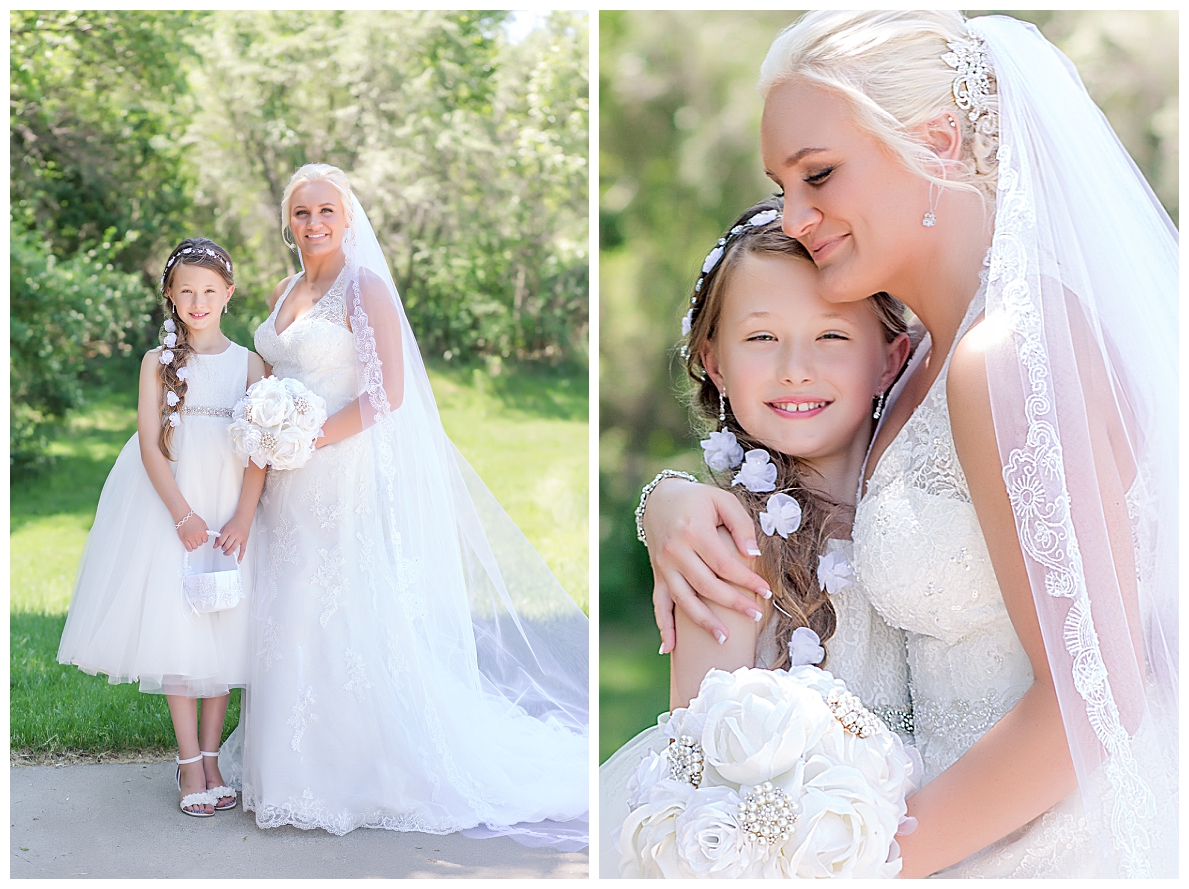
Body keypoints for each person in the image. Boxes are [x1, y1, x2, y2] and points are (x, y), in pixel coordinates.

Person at [639, 10, 1176, 878]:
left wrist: (852, 859)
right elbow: (800, 488)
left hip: (1041, 848)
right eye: (781, 184)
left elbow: (1096, 694)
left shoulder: (1008, 355)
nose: (795, 215)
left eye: (817, 175)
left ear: (933, 142)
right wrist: (667, 502)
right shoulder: (915, 363)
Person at [222, 164, 589, 847]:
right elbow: (265, 384)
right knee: (287, 605)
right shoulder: (282, 292)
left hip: (337, 470)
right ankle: (286, 769)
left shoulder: (365, 289)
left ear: (347, 216)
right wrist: (264, 441)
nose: (314, 223)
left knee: (336, 602)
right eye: (301, 213)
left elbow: (386, 393)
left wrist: (304, 437)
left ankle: (360, 772)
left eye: (326, 210)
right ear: (288, 222)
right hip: (282, 481)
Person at [599, 197, 916, 874]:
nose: (795, 367)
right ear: (713, 362)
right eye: (761, 338)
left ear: (889, 359)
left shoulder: (932, 508)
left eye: (831, 336)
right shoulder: (723, 545)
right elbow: (697, 766)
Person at [58, 238, 267, 816]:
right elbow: (151, 447)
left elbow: (260, 451)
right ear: (170, 297)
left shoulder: (249, 363)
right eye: (186, 292)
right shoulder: (157, 363)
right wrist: (181, 514)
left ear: (228, 293)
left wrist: (243, 517)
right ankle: (187, 764)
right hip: (171, 505)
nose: (197, 302)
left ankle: (214, 757)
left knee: (223, 625)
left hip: (228, 508)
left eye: (209, 291)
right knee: (177, 627)